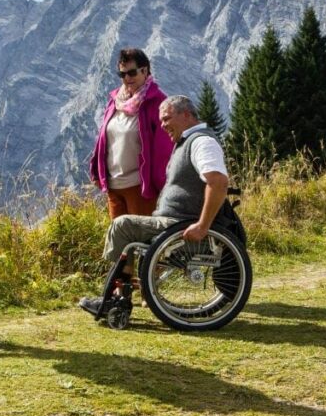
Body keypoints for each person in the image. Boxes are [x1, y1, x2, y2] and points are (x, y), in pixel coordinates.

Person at [79, 95, 229, 316]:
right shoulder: (186, 142)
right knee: (127, 228)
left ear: (186, 115)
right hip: (173, 222)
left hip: (179, 225)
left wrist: (202, 226)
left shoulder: (201, 142)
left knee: (122, 225)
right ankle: (120, 299)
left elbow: (218, 182)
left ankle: (118, 300)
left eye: (167, 119)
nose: (163, 125)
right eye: (161, 121)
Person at [89, 48, 174, 219]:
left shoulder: (157, 102)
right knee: (121, 240)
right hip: (114, 187)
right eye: (122, 74)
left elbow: (164, 148)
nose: (127, 78)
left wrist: (161, 184)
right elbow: (103, 139)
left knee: (142, 240)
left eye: (132, 73)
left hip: (140, 187)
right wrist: (96, 172)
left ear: (145, 70)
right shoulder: (115, 101)